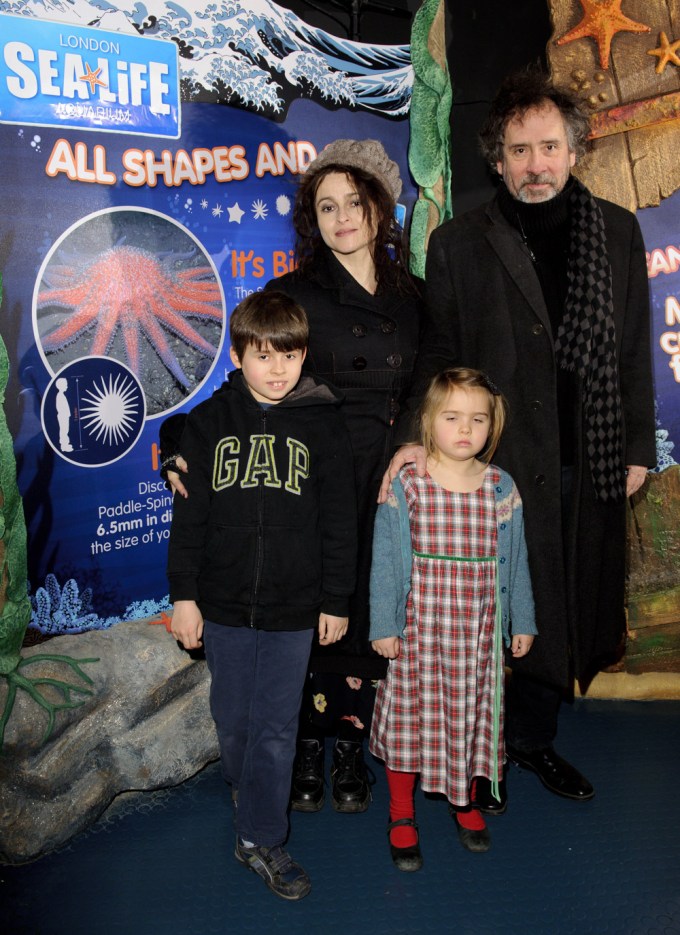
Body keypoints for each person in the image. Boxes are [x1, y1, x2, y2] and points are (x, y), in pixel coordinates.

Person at [382, 66, 656, 812]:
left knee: (558, 602)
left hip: (586, 457)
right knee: (485, 611)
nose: (535, 164)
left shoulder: (619, 232)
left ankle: (529, 742)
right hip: (492, 466)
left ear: (574, 150)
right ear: (495, 159)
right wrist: (418, 438)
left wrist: (635, 446)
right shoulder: (459, 244)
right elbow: (440, 353)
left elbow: (634, 350)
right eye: (518, 149)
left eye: (548, 146)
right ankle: (476, 745)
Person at [163, 139, 424, 814]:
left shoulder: (416, 296)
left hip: (393, 476)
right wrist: (176, 442)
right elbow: (244, 383)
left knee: (370, 613)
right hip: (315, 469)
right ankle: (309, 740)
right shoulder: (293, 292)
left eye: (355, 203)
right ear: (313, 216)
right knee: (311, 614)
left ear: (380, 206)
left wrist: (417, 442)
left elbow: (431, 382)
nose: (343, 218)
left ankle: (350, 747)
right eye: (326, 206)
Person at [166, 291, 357, 901]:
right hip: (221, 606)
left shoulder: (324, 424)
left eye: (291, 355)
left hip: (295, 609)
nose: (278, 370)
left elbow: (340, 521)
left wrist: (336, 599)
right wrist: (184, 597)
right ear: (239, 354)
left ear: (305, 354)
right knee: (234, 721)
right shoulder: (208, 424)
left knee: (275, 728)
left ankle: (261, 839)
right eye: (263, 355)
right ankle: (247, 786)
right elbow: (188, 521)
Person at [370, 367, 536, 869]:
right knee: (408, 720)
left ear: (493, 425)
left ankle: (464, 801)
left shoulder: (501, 487)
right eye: (452, 417)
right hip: (421, 631)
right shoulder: (409, 484)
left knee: (469, 716)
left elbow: (518, 560)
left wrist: (522, 621)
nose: (465, 429)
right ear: (428, 421)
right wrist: (384, 625)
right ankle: (401, 812)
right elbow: (386, 561)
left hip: (478, 635)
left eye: (478, 419)